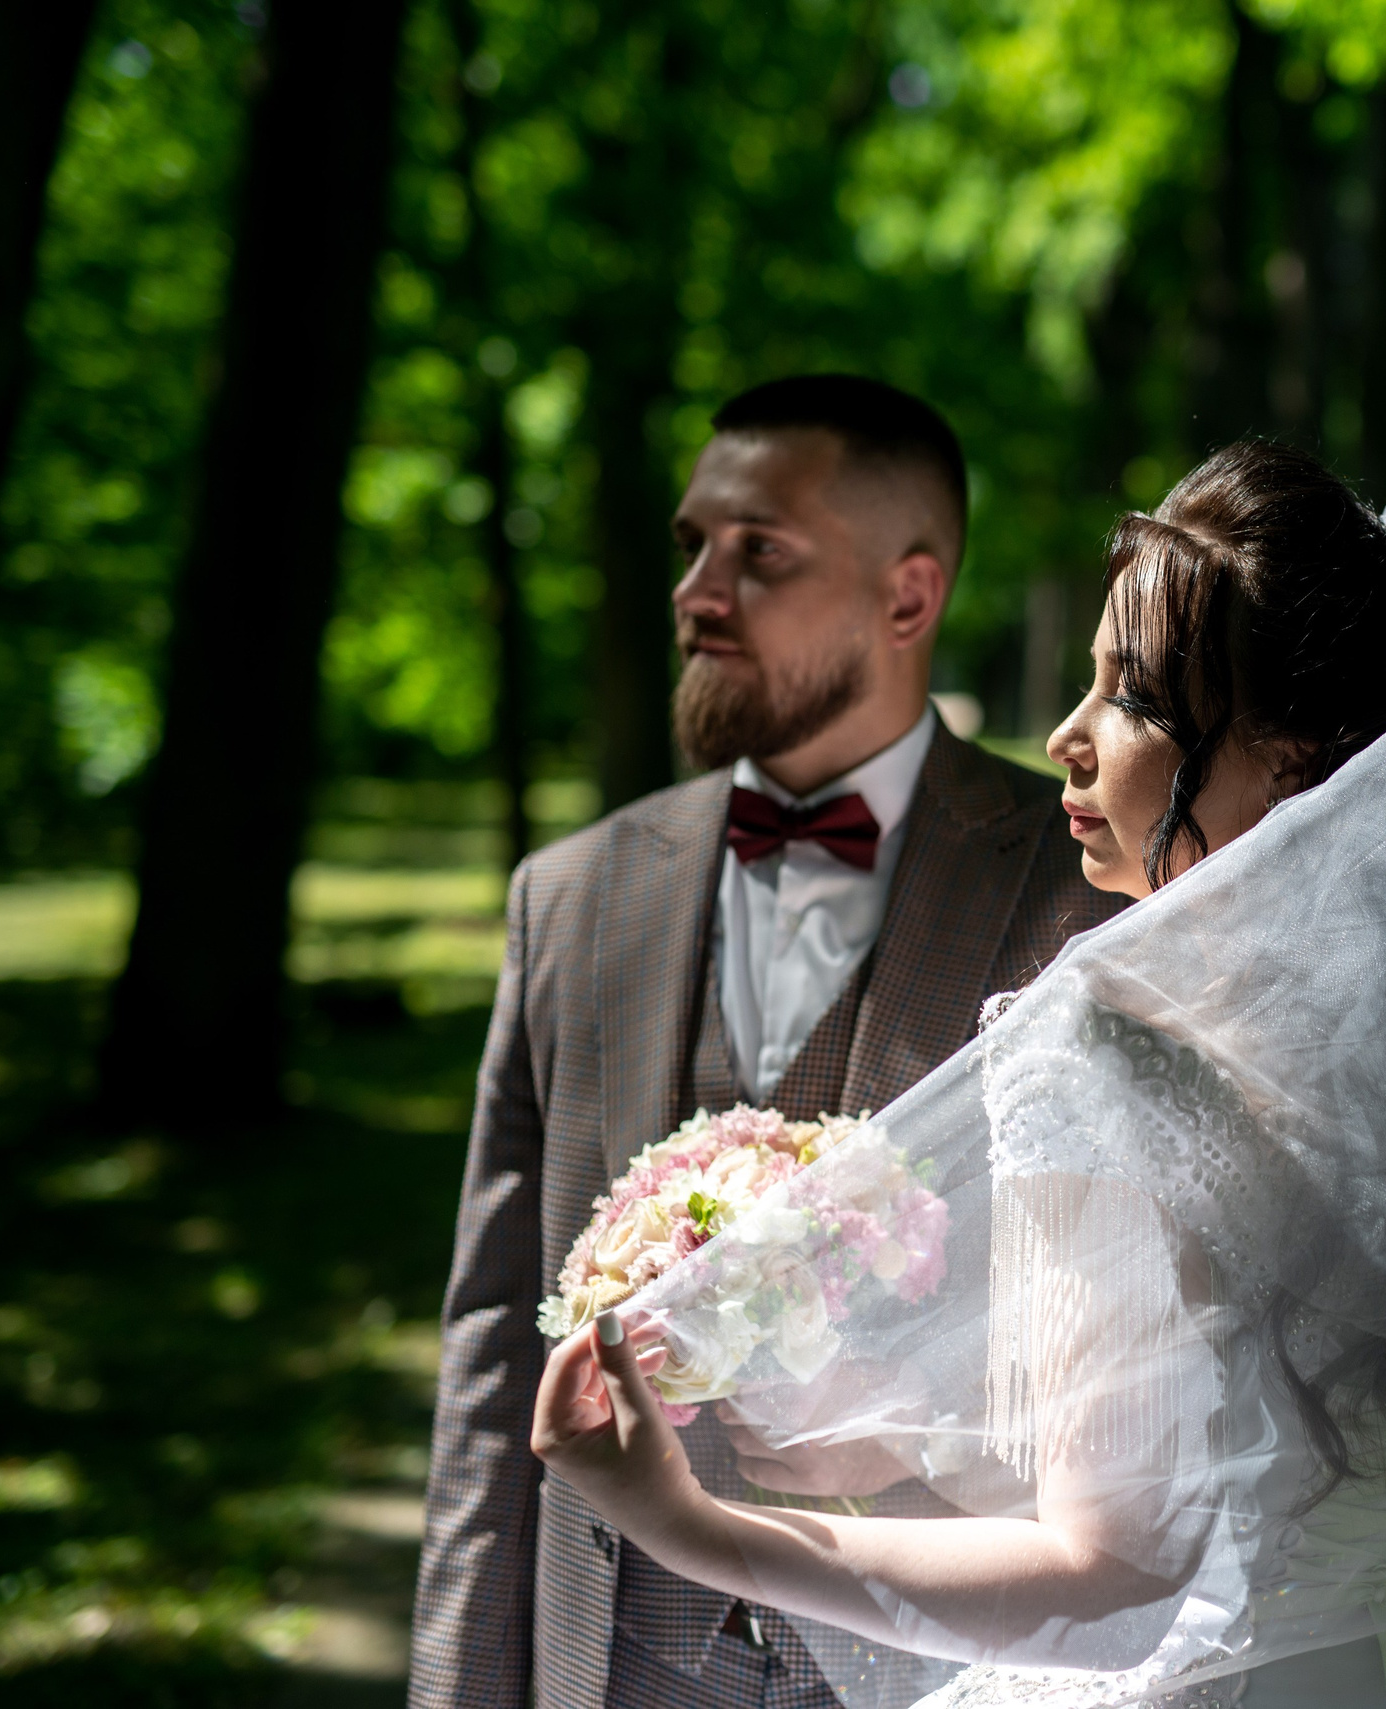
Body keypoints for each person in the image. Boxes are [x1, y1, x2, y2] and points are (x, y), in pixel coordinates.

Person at [529, 442, 1386, 1708]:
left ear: (1294, 759)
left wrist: (696, 1526)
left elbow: (1117, 1580)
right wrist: (909, 1444)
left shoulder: (1093, 1052)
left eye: (1131, 695)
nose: (1067, 735)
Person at [411, 375, 1124, 1709]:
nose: (695, 590)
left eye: (759, 553)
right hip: (612, 1658)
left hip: (944, 1661)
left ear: (908, 597)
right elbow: (497, 1347)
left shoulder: (1087, 884)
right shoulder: (568, 897)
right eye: (693, 545)